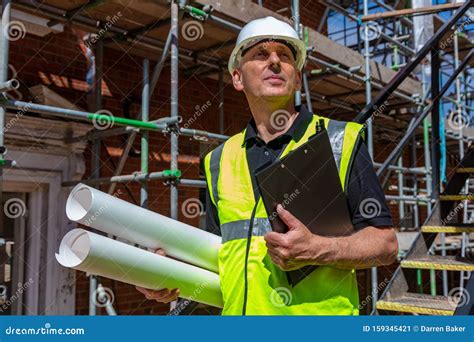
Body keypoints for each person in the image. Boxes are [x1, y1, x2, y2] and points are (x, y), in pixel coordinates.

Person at [137, 16, 398, 315]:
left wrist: (319, 249)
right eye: (260, 54)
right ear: (237, 78)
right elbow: (219, 252)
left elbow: (386, 245)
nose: (274, 61)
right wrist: (167, 273)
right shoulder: (218, 160)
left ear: (297, 78)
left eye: (285, 56)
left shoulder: (340, 140)